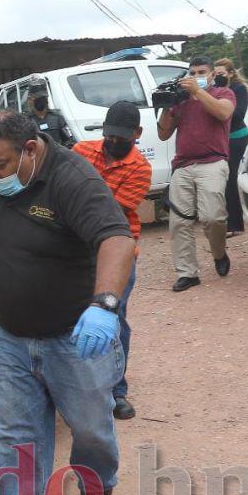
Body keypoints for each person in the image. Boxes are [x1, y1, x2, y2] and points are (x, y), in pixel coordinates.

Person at [0, 110, 135, 495]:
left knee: (90, 427)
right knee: (16, 430)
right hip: (10, 334)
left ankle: (98, 484)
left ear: (31, 149)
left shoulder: (72, 178)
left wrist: (105, 306)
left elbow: (116, 238)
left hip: (73, 338)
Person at [72, 102, 152, 421]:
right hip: (77, 248)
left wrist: (78, 194)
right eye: (111, 135)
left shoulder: (140, 168)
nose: (115, 142)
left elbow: (107, 211)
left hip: (118, 249)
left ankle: (116, 391)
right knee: (71, 315)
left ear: (137, 134)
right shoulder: (80, 150)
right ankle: (76, 386)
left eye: (123, 137)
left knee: (112, 317)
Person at [158, 56, 235, 292]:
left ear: (212, 74)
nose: (196, 77)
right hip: (183, 165)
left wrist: (199, 93)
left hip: (212, 162)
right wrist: (166, 104)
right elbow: (163, 134)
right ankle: (187, 273)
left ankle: (219, 253)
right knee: (179, 221)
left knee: (213, 217)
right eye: (192, 73)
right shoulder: (181, 101)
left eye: (201, 72)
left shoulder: (223, 93)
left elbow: (223, 114)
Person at [214, 58, 248, 236]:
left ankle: (235, 224)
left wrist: (220, 108)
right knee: (222, 178)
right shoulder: (213, 90)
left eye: (221, 74)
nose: (218, 77)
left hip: (236, 137)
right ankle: (227, 220)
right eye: (215, 74)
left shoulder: (238, 89)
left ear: (230, 73)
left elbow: (238, 115)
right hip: (221, 138)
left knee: (229, 177)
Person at [27, 78, 74, 147]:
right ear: (30, 100)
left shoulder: (57, 117)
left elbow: (69, 141)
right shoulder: (26, 121)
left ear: (47, 98)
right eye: (37, 98)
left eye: (43, 98)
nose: (40, 100)